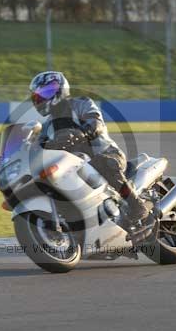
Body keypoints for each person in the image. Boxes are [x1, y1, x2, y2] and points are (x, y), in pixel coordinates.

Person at [28, 71, 155, 238]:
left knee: (104, 163)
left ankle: (137, 206)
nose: (42, 99)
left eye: (46, 93)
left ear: (60, 89)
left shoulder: (81, 103)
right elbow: (39, 147)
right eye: (38, 96)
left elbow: (96, 121)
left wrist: (83, 132)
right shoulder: (47, 126)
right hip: (76, 166)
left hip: (107, 153)